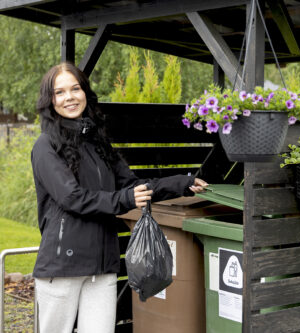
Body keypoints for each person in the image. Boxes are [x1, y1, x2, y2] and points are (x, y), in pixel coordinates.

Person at [31, 62, 208, 333]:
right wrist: (123, 200)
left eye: (75, 89)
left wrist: (180, 184)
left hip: (103, 264)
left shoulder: (98, 144)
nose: (69, 97)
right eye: (60, 92)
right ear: (50, 100)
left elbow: (133, 186)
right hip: (62, 266)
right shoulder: (46, 145)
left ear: (85, 93)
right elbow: (72, 198)